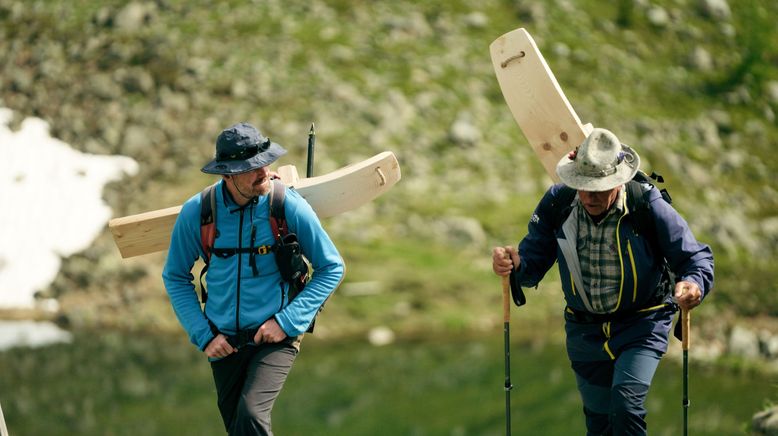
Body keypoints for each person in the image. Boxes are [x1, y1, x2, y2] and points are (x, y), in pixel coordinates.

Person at [492, 128, 713, 435]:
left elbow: (696, 258)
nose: (589, 196)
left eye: (599, 188)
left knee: (625, 406)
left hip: (642, 324)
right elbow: (532, 263)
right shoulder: (559, 202)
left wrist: (693, 284)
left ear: (619, 181)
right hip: (585, 332)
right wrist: (514, 265)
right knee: (599, 423)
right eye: (583, 186)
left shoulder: (645, 204)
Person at [162, 122, 345, 435]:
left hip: (276, 335)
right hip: (222, 342)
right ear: (227, 174)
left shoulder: (286, 205)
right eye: (251, 168)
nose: (263, 171)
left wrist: (287, 323)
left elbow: (332, 267)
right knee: (238, 428)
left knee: (250, 416)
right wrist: (204, 335)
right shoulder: (199, 211)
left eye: (265, 162)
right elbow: (176, 277)